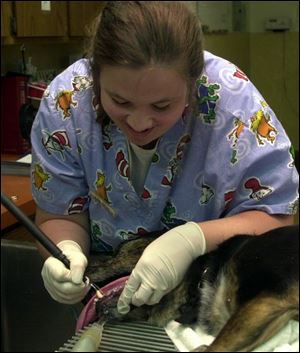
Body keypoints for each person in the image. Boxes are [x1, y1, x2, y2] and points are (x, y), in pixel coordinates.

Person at [31, 1, 298, 314]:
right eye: (120, 100)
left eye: (161, 106)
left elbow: (276, 215)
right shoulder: (67, 103)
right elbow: (60, 213)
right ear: (96, 75)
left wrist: (193, 240)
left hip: (212, 300)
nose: (140, 123)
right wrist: (65, 252)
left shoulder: (233, 105)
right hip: (107, 301)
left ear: (193, 81)